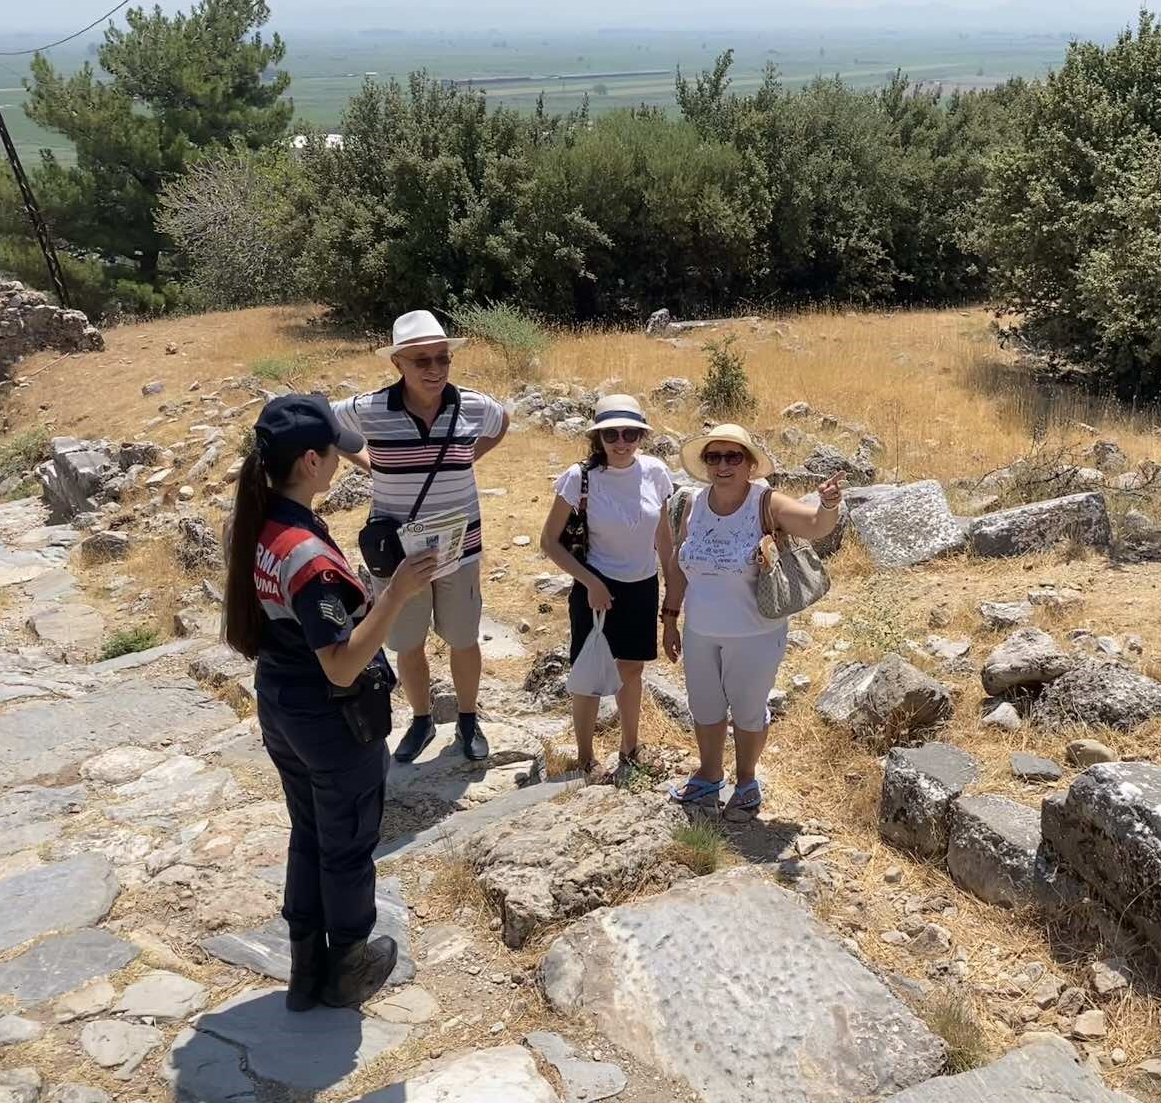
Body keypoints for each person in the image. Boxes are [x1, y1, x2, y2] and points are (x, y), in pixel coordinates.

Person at [223, 394, 439, 1011]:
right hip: (328, 716)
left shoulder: (259, 523)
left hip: (280, 702)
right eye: (338, 453)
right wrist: (395, 594)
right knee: (346, 841)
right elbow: (341, 663)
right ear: (313, 462)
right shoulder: (306, 556)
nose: (346, 462)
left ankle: (303, 967)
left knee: (309, 830)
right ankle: (347, 963)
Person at [333, 311, 510, 766]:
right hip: (398, 555)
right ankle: (421, 718)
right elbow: (326, 425)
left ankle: (468, 719)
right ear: (398, 364)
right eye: (421, 361)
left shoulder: (472, 405)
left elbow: (502, 420)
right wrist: (370, 462)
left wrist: (468, 457)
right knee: (407, 641)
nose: (435, 369)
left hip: (459, 547)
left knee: (463, 637)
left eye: (442, 358)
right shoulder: (369, 409)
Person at [662, 424, 843, 820]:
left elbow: (814, 525)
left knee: (747, 711)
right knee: (705, 707)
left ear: (749, 463)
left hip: (756, 633)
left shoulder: (766, 503)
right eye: (714, 457)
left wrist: (828, 505)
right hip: (699, 632)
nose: (723, 465)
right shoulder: (689, 504)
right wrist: (670, 618)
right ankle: (709, 774)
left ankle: (745, 781)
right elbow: (678, 566)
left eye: (733, 457)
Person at [538, 395, 675, 780]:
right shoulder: (578, 478)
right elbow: (549, 541)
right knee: (589, 674)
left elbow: (664, 538)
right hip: (595, 585)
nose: (621, 441)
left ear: (642, 436)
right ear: (597, 438)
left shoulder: (655, 472)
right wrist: (591, 583)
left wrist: (672, 593)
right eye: (611, 433)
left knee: (632, 670)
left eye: (630, 432)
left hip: (642, 585)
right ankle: (585, 758)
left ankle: (630, 750)